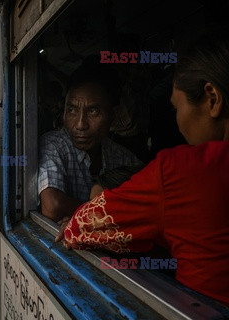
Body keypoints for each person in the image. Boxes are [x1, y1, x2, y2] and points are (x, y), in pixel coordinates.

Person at [57, 29, 229, 306]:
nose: (178, 122)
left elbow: (81, 227)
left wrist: (96, 196)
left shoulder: (181, 170)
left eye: (177, 108)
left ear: (212, 98)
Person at [38, 63, 142, 222]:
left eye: (93, 111)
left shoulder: (125, 159)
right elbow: (54, 206)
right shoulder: (54, 144)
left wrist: (87, 217)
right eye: (72, 110)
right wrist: (112, 215)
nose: (80, 124)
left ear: (114, 116)